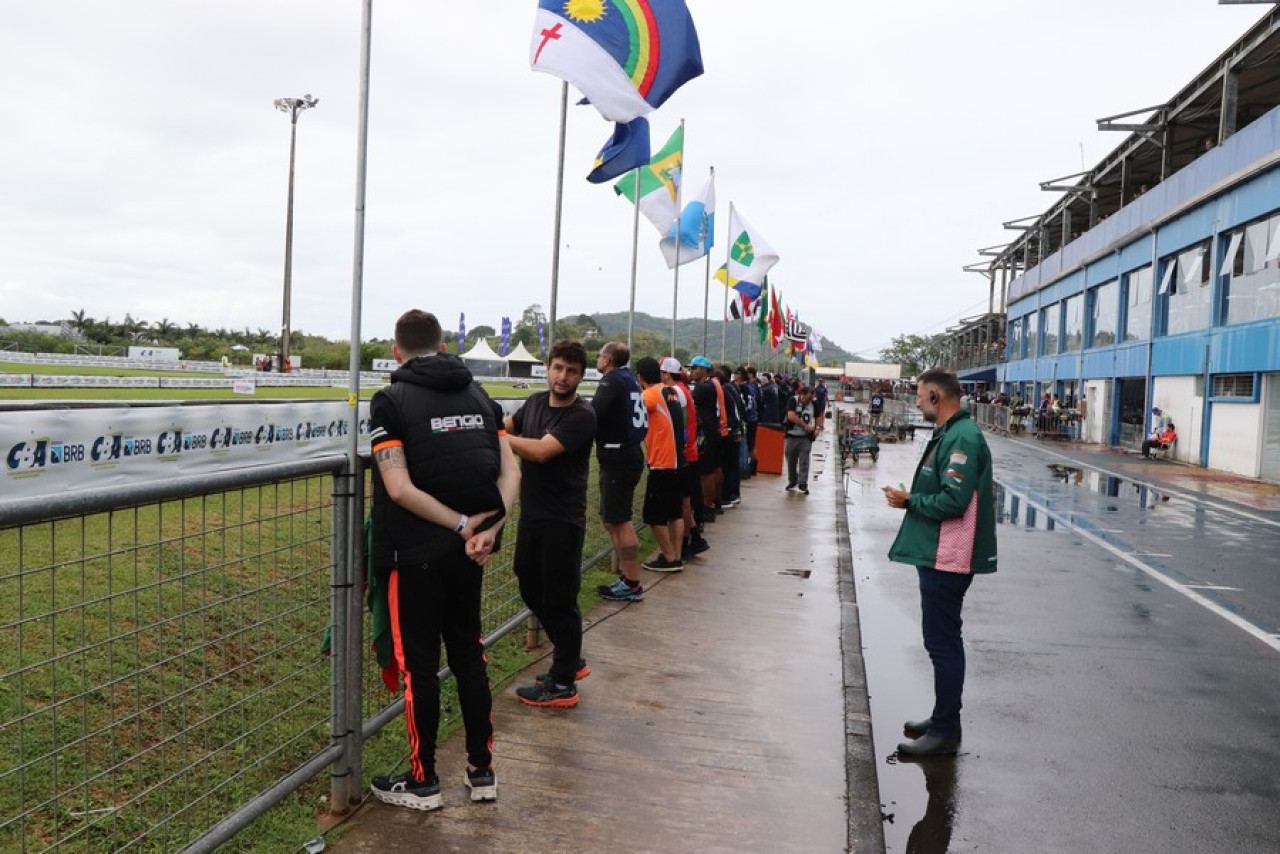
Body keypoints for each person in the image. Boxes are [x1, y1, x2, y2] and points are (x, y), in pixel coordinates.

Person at [368, 309, 519, 810]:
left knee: (420, 668)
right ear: (443, 346)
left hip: (417, 554)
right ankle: (482, 771)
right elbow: (511, 473)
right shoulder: (479, 395)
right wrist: (489, 528)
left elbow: (398, 487)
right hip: (471, 555)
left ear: (397, 352)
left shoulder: (390, 400)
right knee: (469, 656)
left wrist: (461, 525)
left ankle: (423, 780)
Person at [882, 368, 997, 758]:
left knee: (942, 644)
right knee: (942, 642)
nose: (916, 403)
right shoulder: (951, 432)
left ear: (935, 396)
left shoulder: (962, 436)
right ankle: (944, 718)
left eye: (919, 396)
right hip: (940, 552)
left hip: (948, 555)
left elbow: (954, 501)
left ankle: (945, 731)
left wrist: (909, 500)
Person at [505, 341, 596, 708]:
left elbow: (542, 451)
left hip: (563, 519)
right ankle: (569, 659)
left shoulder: (582, 415)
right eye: (558, 367)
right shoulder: (535, 403)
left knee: (560, 598)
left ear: (581, 376)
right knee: (528, 583)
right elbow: (507, 424)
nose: (563, 376)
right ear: (547, 368)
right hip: (534, 515)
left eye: (571, 371)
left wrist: (499, 438)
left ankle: (562, 684)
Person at [590, 342, 647, 601]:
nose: (598, 360)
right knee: (613, 519)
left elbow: (593, 413)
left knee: (620, 520)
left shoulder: (612, 380)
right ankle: (627, 577)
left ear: (607, 360)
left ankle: (632, 582)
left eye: (600, 355)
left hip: (619, 456)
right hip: (627, 453)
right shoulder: (629, 379)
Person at [633, 356, 686, 572]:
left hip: (662, 462)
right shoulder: (670, 391)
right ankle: (677, 555)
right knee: (675, 512)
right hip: (678, 461)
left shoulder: (649, 394)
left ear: (640, 377)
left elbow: (631, 412)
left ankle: (669, 557)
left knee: (653, 515)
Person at [661, 357, 710, 561]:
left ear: (666, 374)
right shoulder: (683, 389)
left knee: (682, 503)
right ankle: (693, 539)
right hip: (688, 451)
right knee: (684, 501)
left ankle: (687, 542)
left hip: (684, 453)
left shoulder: (676, 392)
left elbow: (679, 425)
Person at [688, 356, 725, 521]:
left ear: (704, 370)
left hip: (707, 432)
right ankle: (715, 503)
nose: (691, 371)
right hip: (714, 430)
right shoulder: (714, 384)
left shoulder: (703, 388)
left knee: (705, 472)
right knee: (714, 468)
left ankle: (707, 506)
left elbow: (690, 406)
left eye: (694, 368)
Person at [784, 384, 822, 493]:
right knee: (791, 460)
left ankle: (803, 483)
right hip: (792, 435)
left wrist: (817, 429)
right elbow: (791, 416)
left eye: (810, 399)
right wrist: (804, 426)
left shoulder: (814, 404)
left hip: (806, 437)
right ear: (802, 394)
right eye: (807, 398)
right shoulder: (793, 400)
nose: (808, 401)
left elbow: (819, 416)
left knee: (804, 460)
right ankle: (793, 480)